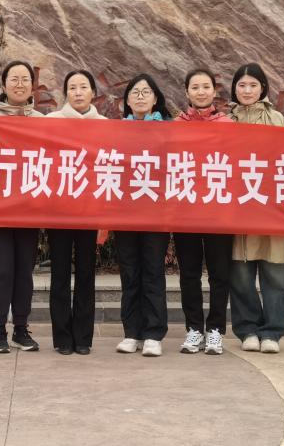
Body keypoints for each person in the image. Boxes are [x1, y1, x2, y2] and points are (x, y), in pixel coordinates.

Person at [0, 60, 44, 354]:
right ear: (4, 85)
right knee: (1, 271)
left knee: (24, 271)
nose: (19, 84)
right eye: (14, 79)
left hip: (29, 210)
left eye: (25, 79)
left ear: (32, 86)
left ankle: (21, 329)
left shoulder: (42, 121)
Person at [227, 63, 284, 354]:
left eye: (253, 85)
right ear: (234, 89)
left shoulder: (277, 119)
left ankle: (273, 332)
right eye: (241, 85)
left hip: (271, 210)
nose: (247, 91)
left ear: (263, 88)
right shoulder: (226, 121)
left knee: (275, 274)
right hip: (236, 210)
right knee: (241, 275)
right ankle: (248, 330)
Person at [172, 69, 234, 355]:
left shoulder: (228, 125)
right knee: (189, 273)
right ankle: (194, 328)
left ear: (214, 91)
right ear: (187, 92)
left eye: (205, 86)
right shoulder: (176, 125)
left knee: (220, 274)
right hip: (184, 209)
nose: (200, 92)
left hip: (218, 209)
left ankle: (216, 330)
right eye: (195, 87)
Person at [45, 69, 107, 355]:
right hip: (58, 210)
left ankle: (83, 337)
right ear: (65, 93)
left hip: (90, 211)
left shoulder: (106, 126)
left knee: (86, 274)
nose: (78, 92)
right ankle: (62, 337)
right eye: (72, 87)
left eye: (84, 87)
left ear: (93, 92)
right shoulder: (51, 122)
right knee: (59, 274)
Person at [113, 74, 173, 357]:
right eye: (135, 92)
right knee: (129, 272)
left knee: (152, 272)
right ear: (126, 100)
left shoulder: (169, 130)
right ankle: (131, 332)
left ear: (155, 98)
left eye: (146, 92)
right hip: (124, 212)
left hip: (156, 212)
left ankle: (153, 333)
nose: (140, 96)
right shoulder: (116, 131)